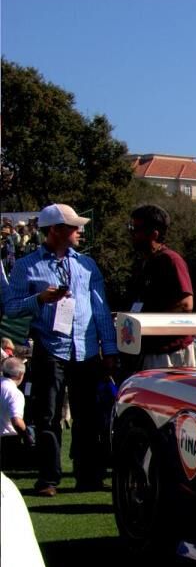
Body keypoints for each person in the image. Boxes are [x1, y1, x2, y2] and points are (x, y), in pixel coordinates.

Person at [2, 204, 118, 496]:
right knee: (48, 416)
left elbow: (101, 310)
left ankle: (88, 475)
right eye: (74, 227)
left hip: (87, 349)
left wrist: (110, 348)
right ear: (55, 230)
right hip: (50, 348)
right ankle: (49, 479)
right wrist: (39, 298)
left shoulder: (87, 265)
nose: (80, 231)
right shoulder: (26, 266)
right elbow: (11, 308)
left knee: (88, 416)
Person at [128, 204, 196, 369]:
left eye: (136, 228)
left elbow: (186, 304)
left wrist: (150, 321)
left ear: (154, 234)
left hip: (172, 352)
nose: (131, 233)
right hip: (150, 349)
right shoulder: (145, 262)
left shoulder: (171, 260)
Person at [0, 355, 32, 467]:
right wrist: (27, 437)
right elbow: (16, 421)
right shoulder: (14, 393)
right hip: (6, 443)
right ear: (20, 375)